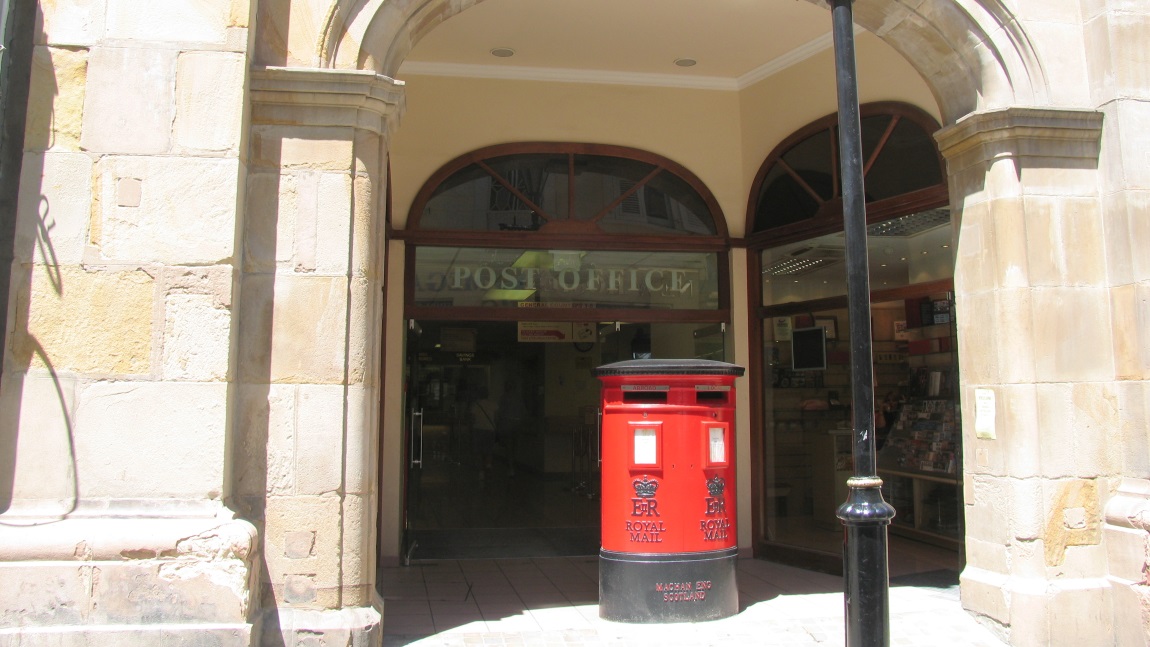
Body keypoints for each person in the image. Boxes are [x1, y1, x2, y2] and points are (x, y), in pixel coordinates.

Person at [496, 378, 527, 477]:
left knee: (509, 447)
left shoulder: (503, 398)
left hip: (507, 425)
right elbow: (524, 412)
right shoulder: (518, 398)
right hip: (516, 425)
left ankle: (511, 467)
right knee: (514, 446)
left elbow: (500, 413)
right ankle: (512, 465)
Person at [470, 386, 498, 477]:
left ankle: (481, 470)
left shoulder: (475, 405)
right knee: (489, 449)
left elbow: (472, 419)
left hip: (478, 429)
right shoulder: (493, 404)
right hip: (490, 430)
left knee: (478, 450)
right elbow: (497, 417)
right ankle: (488, 465)